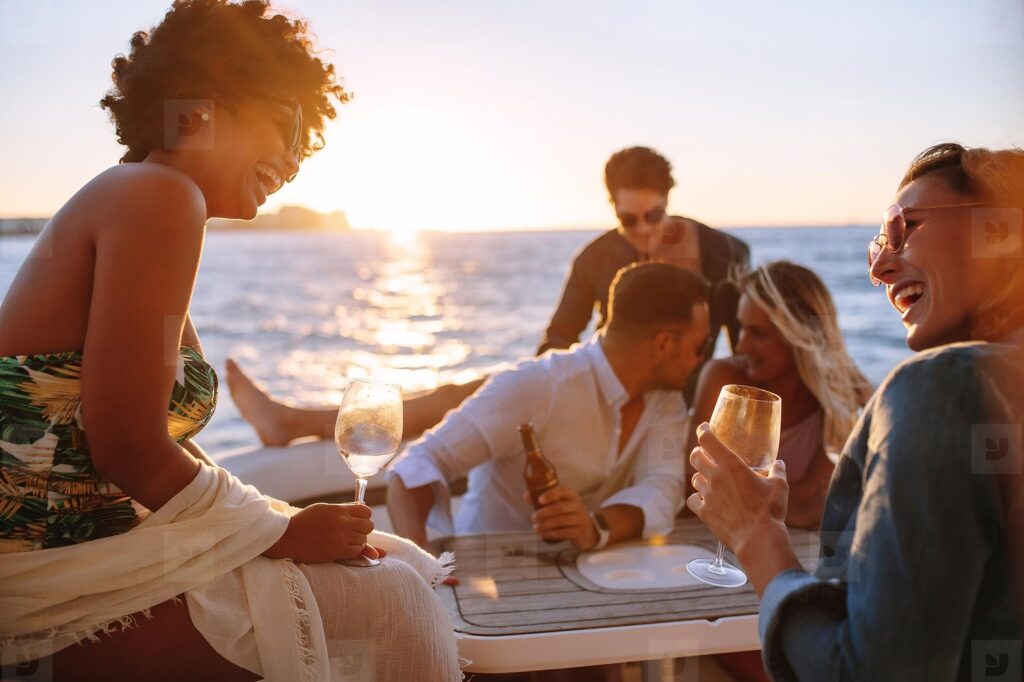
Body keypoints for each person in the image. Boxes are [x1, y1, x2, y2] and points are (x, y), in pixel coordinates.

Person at [0, 2, 460, 680]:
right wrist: (278, 530)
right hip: (48, 568)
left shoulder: (141, 198)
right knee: (393, 601)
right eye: (290, 123)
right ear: (205, 105)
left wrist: (273, 527)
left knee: (405, 563)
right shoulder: (156, 197)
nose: (299, 158)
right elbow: (124, 444)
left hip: (89, 546)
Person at [687, 142, 1024, 680]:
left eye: (905, 226)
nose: (880, 267)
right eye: (876, 243)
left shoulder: (940, 390)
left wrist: (756, 534)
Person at [387, 262, 710, 553]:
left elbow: (662, 486)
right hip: (487, 569)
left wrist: (596, 527)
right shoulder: (535, 385)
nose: (702, 360)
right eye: (701, 347)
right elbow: (418, 463)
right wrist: (419, 557)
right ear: (664, 344)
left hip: (589, 570)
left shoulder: (666, 401)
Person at [538, 146, 750, 399]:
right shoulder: (593, 259)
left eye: (654, 215)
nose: (643, 229)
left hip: (693, 404)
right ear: (613, 207)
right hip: (613, 402)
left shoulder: (723, 252)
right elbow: (560, 337)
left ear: (667, 201)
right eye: (628, 219)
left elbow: (745, 350)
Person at [689, 261, 874, 530]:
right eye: (742, 328)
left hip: (797, 543)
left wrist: (742, 496)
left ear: (799, 335)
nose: (741, 345)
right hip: (713, 542)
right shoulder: (724, 380)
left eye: (758, 333)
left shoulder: (839, 395)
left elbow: (814, 507)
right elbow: (694, 485)